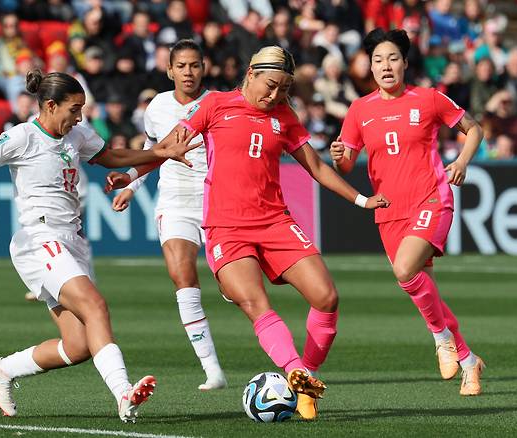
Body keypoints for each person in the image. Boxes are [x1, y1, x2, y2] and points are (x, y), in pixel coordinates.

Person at [108, 46, 390, 420]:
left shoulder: (285, 116)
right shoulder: (215, 105)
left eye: (284, 90)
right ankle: (293, 369)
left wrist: (361, 200)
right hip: (226, 227)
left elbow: (317, 169)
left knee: (327, 297)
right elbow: (166, 146)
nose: (274, 96)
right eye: (271, 86)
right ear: (251, 73)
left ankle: (306, 378)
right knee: (255, 303)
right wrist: (130, 175)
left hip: (275, 221)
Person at [0, 70, 200, 422]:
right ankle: (123, 394)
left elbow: (113, 157)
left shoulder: (77, 135)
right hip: (39, 240)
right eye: (74, 110)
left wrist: (162, 152)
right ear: (49, 105)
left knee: (77, 346)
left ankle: (2, 369)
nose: (79, 117)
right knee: (95, 307)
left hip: (70, 240)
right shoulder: (23, 136)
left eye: (81, 110)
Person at [330, 29, 485, 396]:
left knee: (404, 270)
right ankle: (467, 360)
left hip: (431, 198)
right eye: (379, 60)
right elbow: (349, 165)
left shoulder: (428, 99)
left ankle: (442, 340)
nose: (386, 66)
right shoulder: (359, 110)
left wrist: (461, 161)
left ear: (405, 63)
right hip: (388, 210)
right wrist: (340, 158)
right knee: (421, 287)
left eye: (393, 59)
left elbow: (473, 128)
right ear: (370, 67)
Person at [104, 40, 227, 392]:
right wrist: (131, 183)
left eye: (195, 65)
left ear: (204, 68)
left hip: (217, 201)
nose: (188, 72)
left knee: (232, 285)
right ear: (170, 70)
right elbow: (152, 150)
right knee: (183, 277)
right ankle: (212, 370)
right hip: (173, 201)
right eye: (182, 66)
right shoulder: (157, 106)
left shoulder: (218, 104)